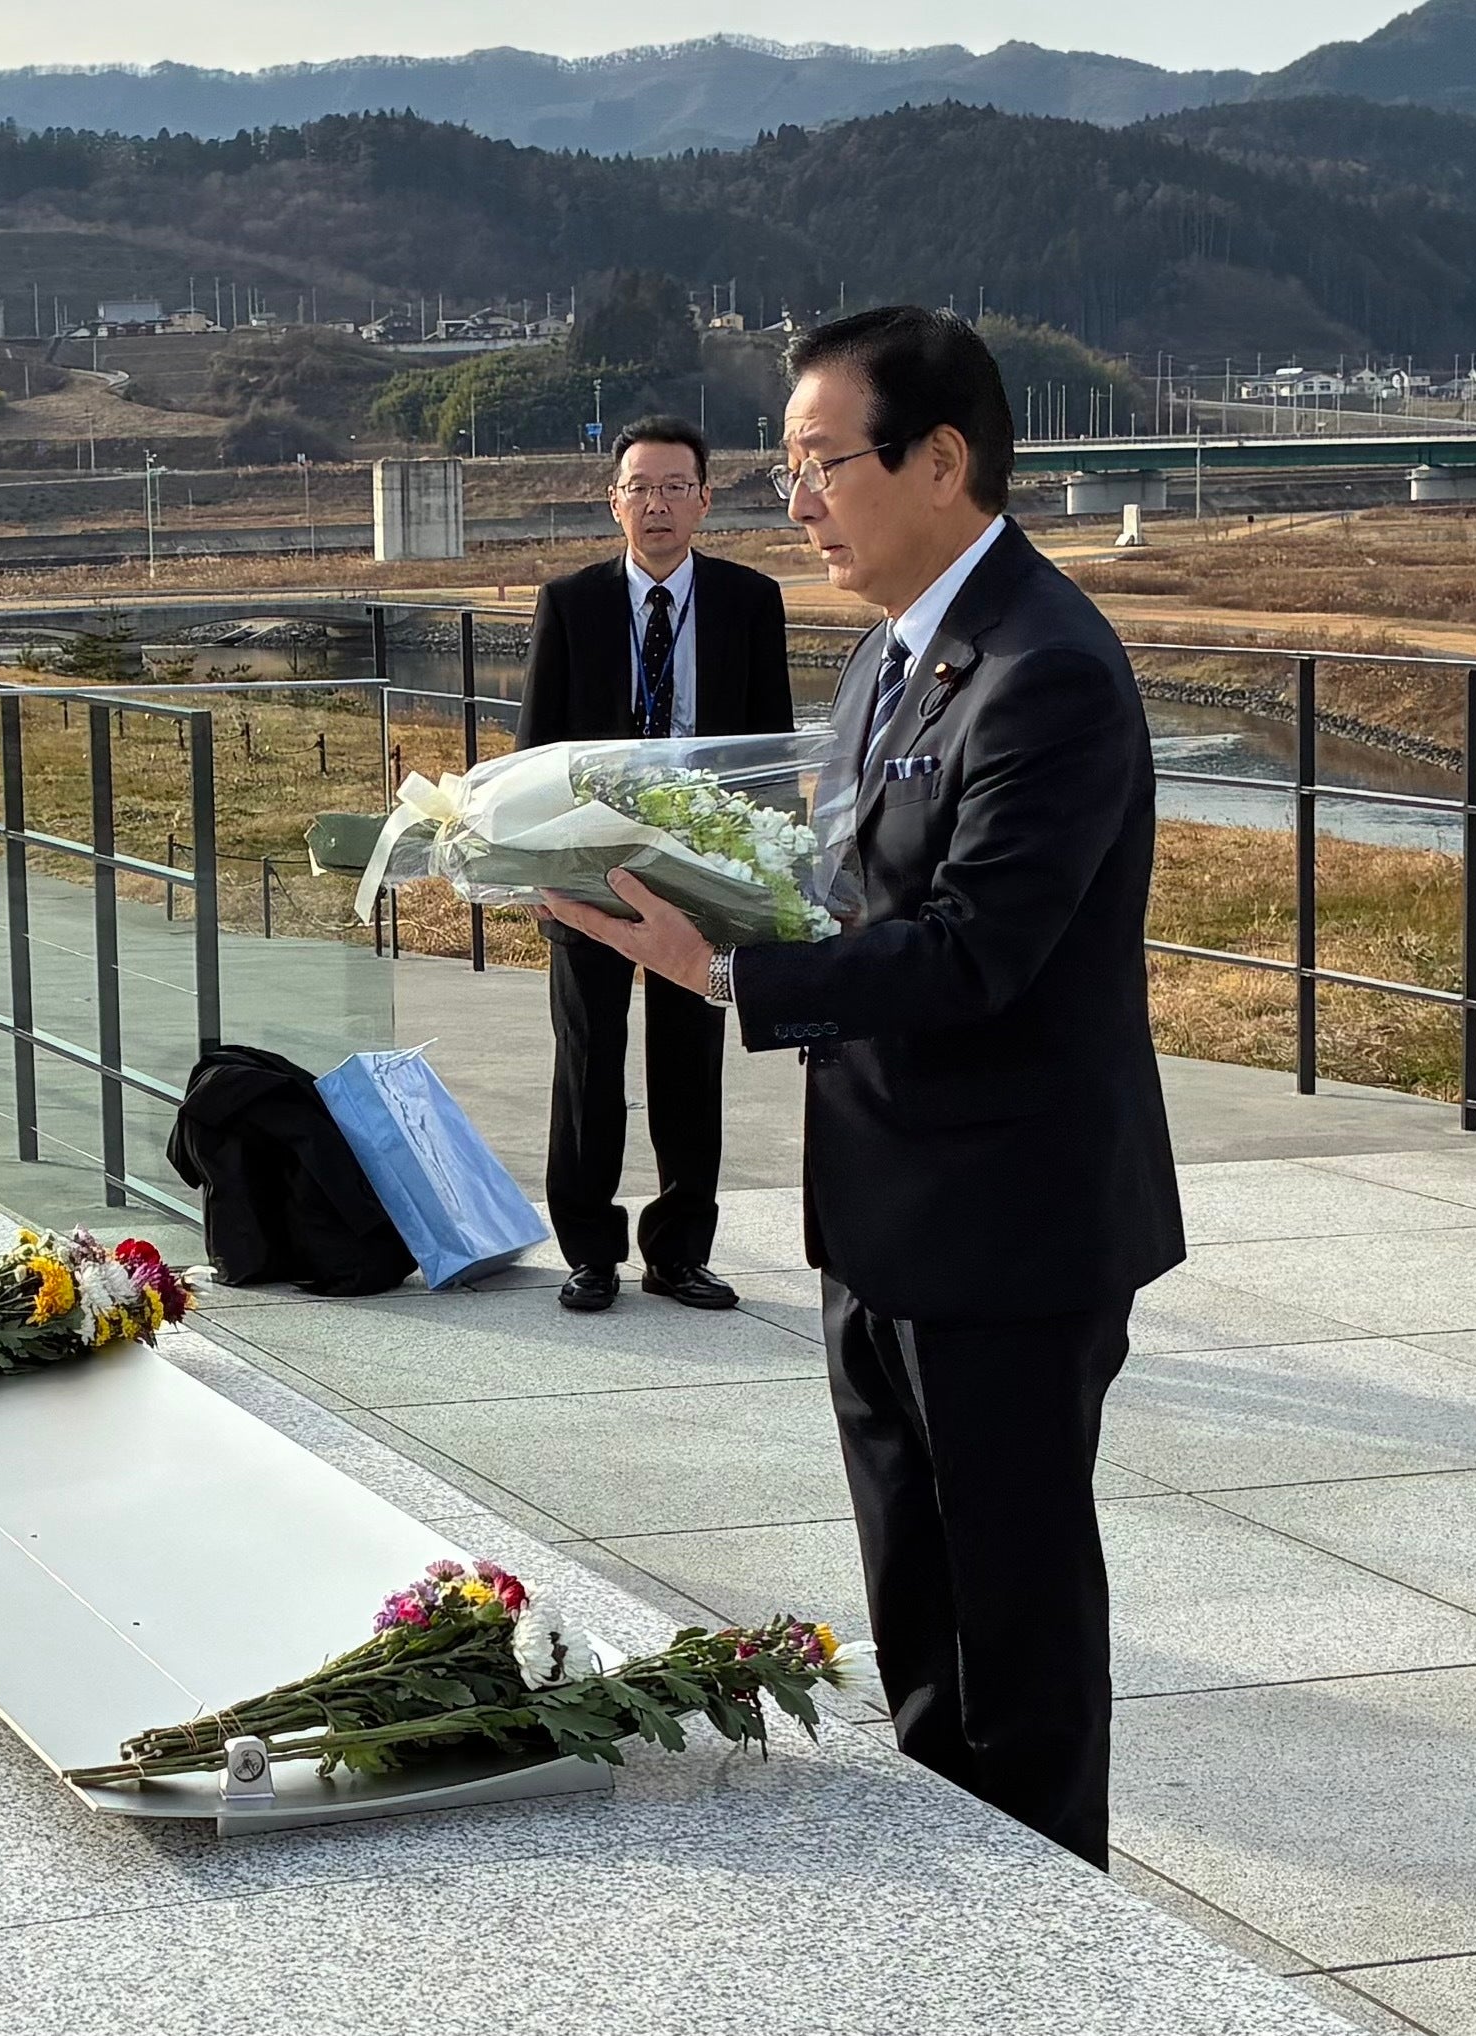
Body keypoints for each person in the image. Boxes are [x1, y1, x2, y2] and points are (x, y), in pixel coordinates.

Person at [546, 308, 1183, 1866]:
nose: (799, 501)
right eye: (788, 470)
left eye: (821, 463)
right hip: (887, 1211)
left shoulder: (1046, 669)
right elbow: (851, 894)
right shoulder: (893, 657)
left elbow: (979, 953)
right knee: (918, 1614)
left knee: (1012, 1632)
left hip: (1007, 1231)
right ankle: (948, 1906)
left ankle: (1048, 1928)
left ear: (942, 459)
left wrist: (726, 973)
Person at [519, 416, 795, 1314]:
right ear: (614, 503)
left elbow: (774, 751)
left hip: (701, 866)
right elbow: (535, 752)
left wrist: (768, 882)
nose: (657, 504)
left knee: (689, 1058)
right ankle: (589, 1251)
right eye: (640, 487)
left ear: (705, 500)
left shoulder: (750, 600)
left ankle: (679, 1253)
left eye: (676, 486)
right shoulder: (570, 602)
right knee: (588, 1056)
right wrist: (539, 872)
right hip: (591, 861)